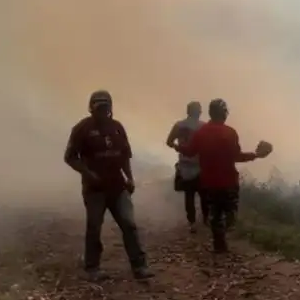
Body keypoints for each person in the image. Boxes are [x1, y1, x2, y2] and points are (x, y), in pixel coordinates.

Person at [64, 90, 155, 282]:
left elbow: (125, 156)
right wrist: (88, 173)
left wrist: (130, 178)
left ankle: (139, 266)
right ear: (91, 108)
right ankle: (92, 267)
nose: (103, 111)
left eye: (105, 107)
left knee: (129, 225)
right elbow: (70, 157)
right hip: (95, 189)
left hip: (118, 186)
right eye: (99, 107)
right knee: (94, 227)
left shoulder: (117, 128)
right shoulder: (82, 128)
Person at [174, 98, 271, 253]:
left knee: (216, 214)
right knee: (230, 214)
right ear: (223, 114)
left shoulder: (201, 133)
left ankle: (219, 244)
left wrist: (177, 147)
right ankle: (222, 237)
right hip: (228, 182)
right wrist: (256, 155)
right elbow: (236, 156)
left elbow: (190, 151)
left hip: (209, 182)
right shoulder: (229, 133)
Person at [166, 101, 208, 232]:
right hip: (201, 165)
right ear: (199, 112)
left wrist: (179, 147)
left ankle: (192, 222)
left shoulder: (179, 125)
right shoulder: (204, 127)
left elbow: (169, 142)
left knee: (189, 195)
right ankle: (206, 220)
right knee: (204, 194)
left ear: (188, 111)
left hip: (185, 164)